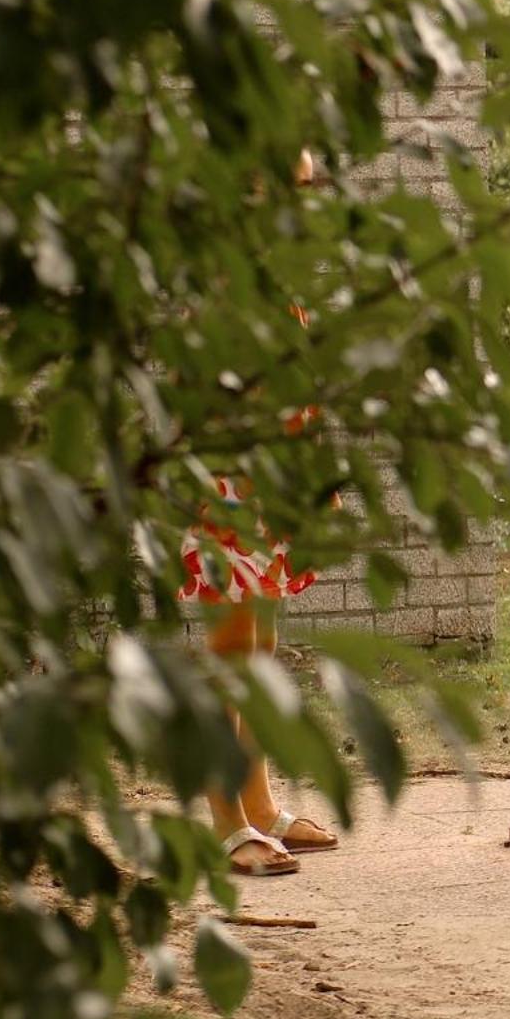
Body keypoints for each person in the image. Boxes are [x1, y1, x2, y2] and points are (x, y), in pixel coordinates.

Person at [184, 149, 340, 875]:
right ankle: (223, 821)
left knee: (261, 649)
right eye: (290, 183)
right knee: (229, 655)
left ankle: (260, 802)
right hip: (227, 485)